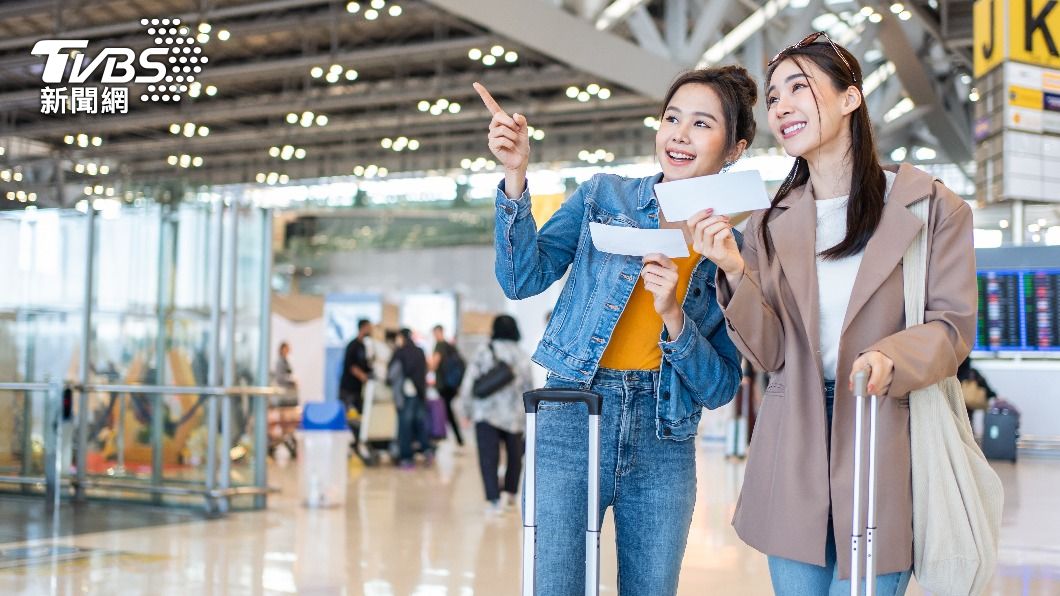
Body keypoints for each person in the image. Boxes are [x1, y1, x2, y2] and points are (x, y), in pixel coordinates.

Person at [693, 32, 976, 595]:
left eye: (799, 87)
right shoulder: (769, 224)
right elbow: (771, 354)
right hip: (792, 437)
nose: (782, 106)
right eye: (773, 98)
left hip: (881, 430)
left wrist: (888, 356)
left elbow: (952, 327)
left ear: (851, 98)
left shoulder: (928, 205)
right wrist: (732, 270)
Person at [476, 65, 753, 594]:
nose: (679, 134)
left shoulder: (736, 248)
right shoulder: (606, 196)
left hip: (663, 431)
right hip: (570, 413)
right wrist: (515, 177)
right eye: (672, 118)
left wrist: (674, 315)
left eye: (701, 124)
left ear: (734, 148)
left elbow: (719, 388)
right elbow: (521, 278)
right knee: (556, 585)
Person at [456, 315, 534, 516]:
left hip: (486, 413)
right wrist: (530, 417)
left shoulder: (484, 351)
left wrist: (465, 411)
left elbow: (469, 383)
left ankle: (493, 500)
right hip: (514, 414)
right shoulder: (522, 354)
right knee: (515, 457)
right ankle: (509, 495)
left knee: (488, 457)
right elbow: (528, 388)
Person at [388, 328, 433, 469]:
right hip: (420, 392)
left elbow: (392, 374)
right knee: (419, 422)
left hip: (406, 393)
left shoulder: (400, 353)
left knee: (405, 426)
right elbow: (425, 370)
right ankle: (427, 450)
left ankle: (406, 457)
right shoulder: (420, 351)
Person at [429, 325, 466, 446]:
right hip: (453, 384)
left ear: (437, 332)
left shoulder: (439, 345)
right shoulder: (451, 346)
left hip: (443, 384)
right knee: (447, 410)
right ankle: (456, 438)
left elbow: (434, 364)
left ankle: (451, 437)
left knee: (447, 411)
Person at [339, 319, 373, 414]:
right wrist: (364, 377)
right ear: (363, 328)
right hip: (348, 389)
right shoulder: (353, 345)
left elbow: (366, 366)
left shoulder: (363, 346)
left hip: (358, 390)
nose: (371, 330)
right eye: (369, 328)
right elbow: (351, 366)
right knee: (349, 416)